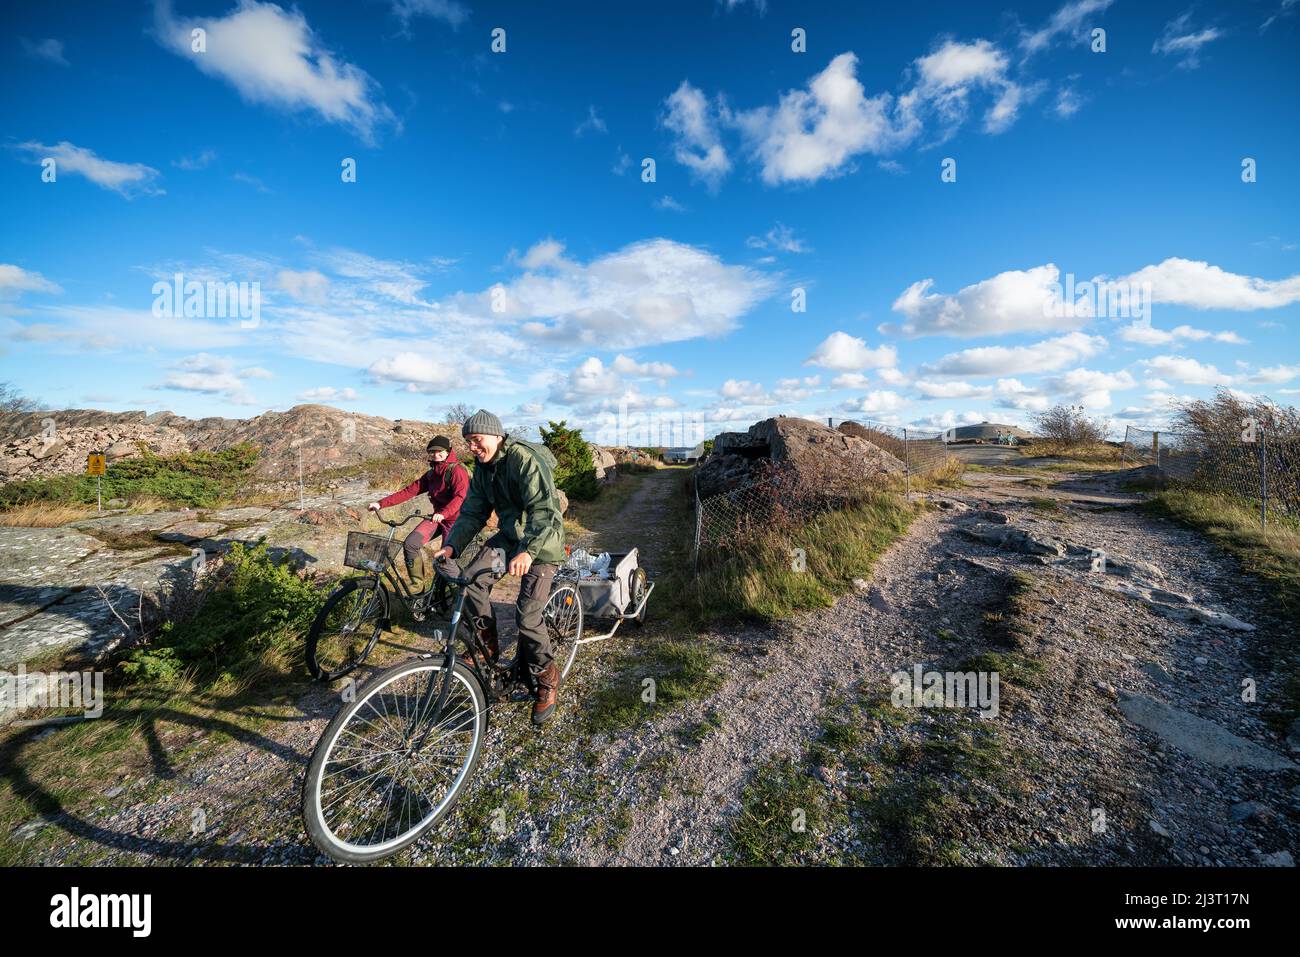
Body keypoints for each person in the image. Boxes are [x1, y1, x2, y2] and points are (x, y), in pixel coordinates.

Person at [431, 409, 566, 726]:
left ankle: (546, 679)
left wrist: (529, 551)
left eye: (477, 440)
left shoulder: (523, 459)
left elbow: (544, 511)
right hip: (509, 538)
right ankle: (487, 646)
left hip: (542, 544)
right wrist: (452, 545)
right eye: (468, 443)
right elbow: (473, 512)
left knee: (527, 615)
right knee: (471, 580)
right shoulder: (482, 468)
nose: (473, 447)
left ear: (497, 435)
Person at [368, 436, 469, 597]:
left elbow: (460, 497)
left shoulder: (457, 471)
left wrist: (444, 513)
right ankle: (418, 588)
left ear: (448, 451)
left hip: (455, 520)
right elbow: (409, 491)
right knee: (410, 543)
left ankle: (463, 596)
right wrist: (380, 504)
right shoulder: (431, 474)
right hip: (437, 518)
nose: (436, 454)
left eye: (439, 451)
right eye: (432, 451)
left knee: (445, 559)